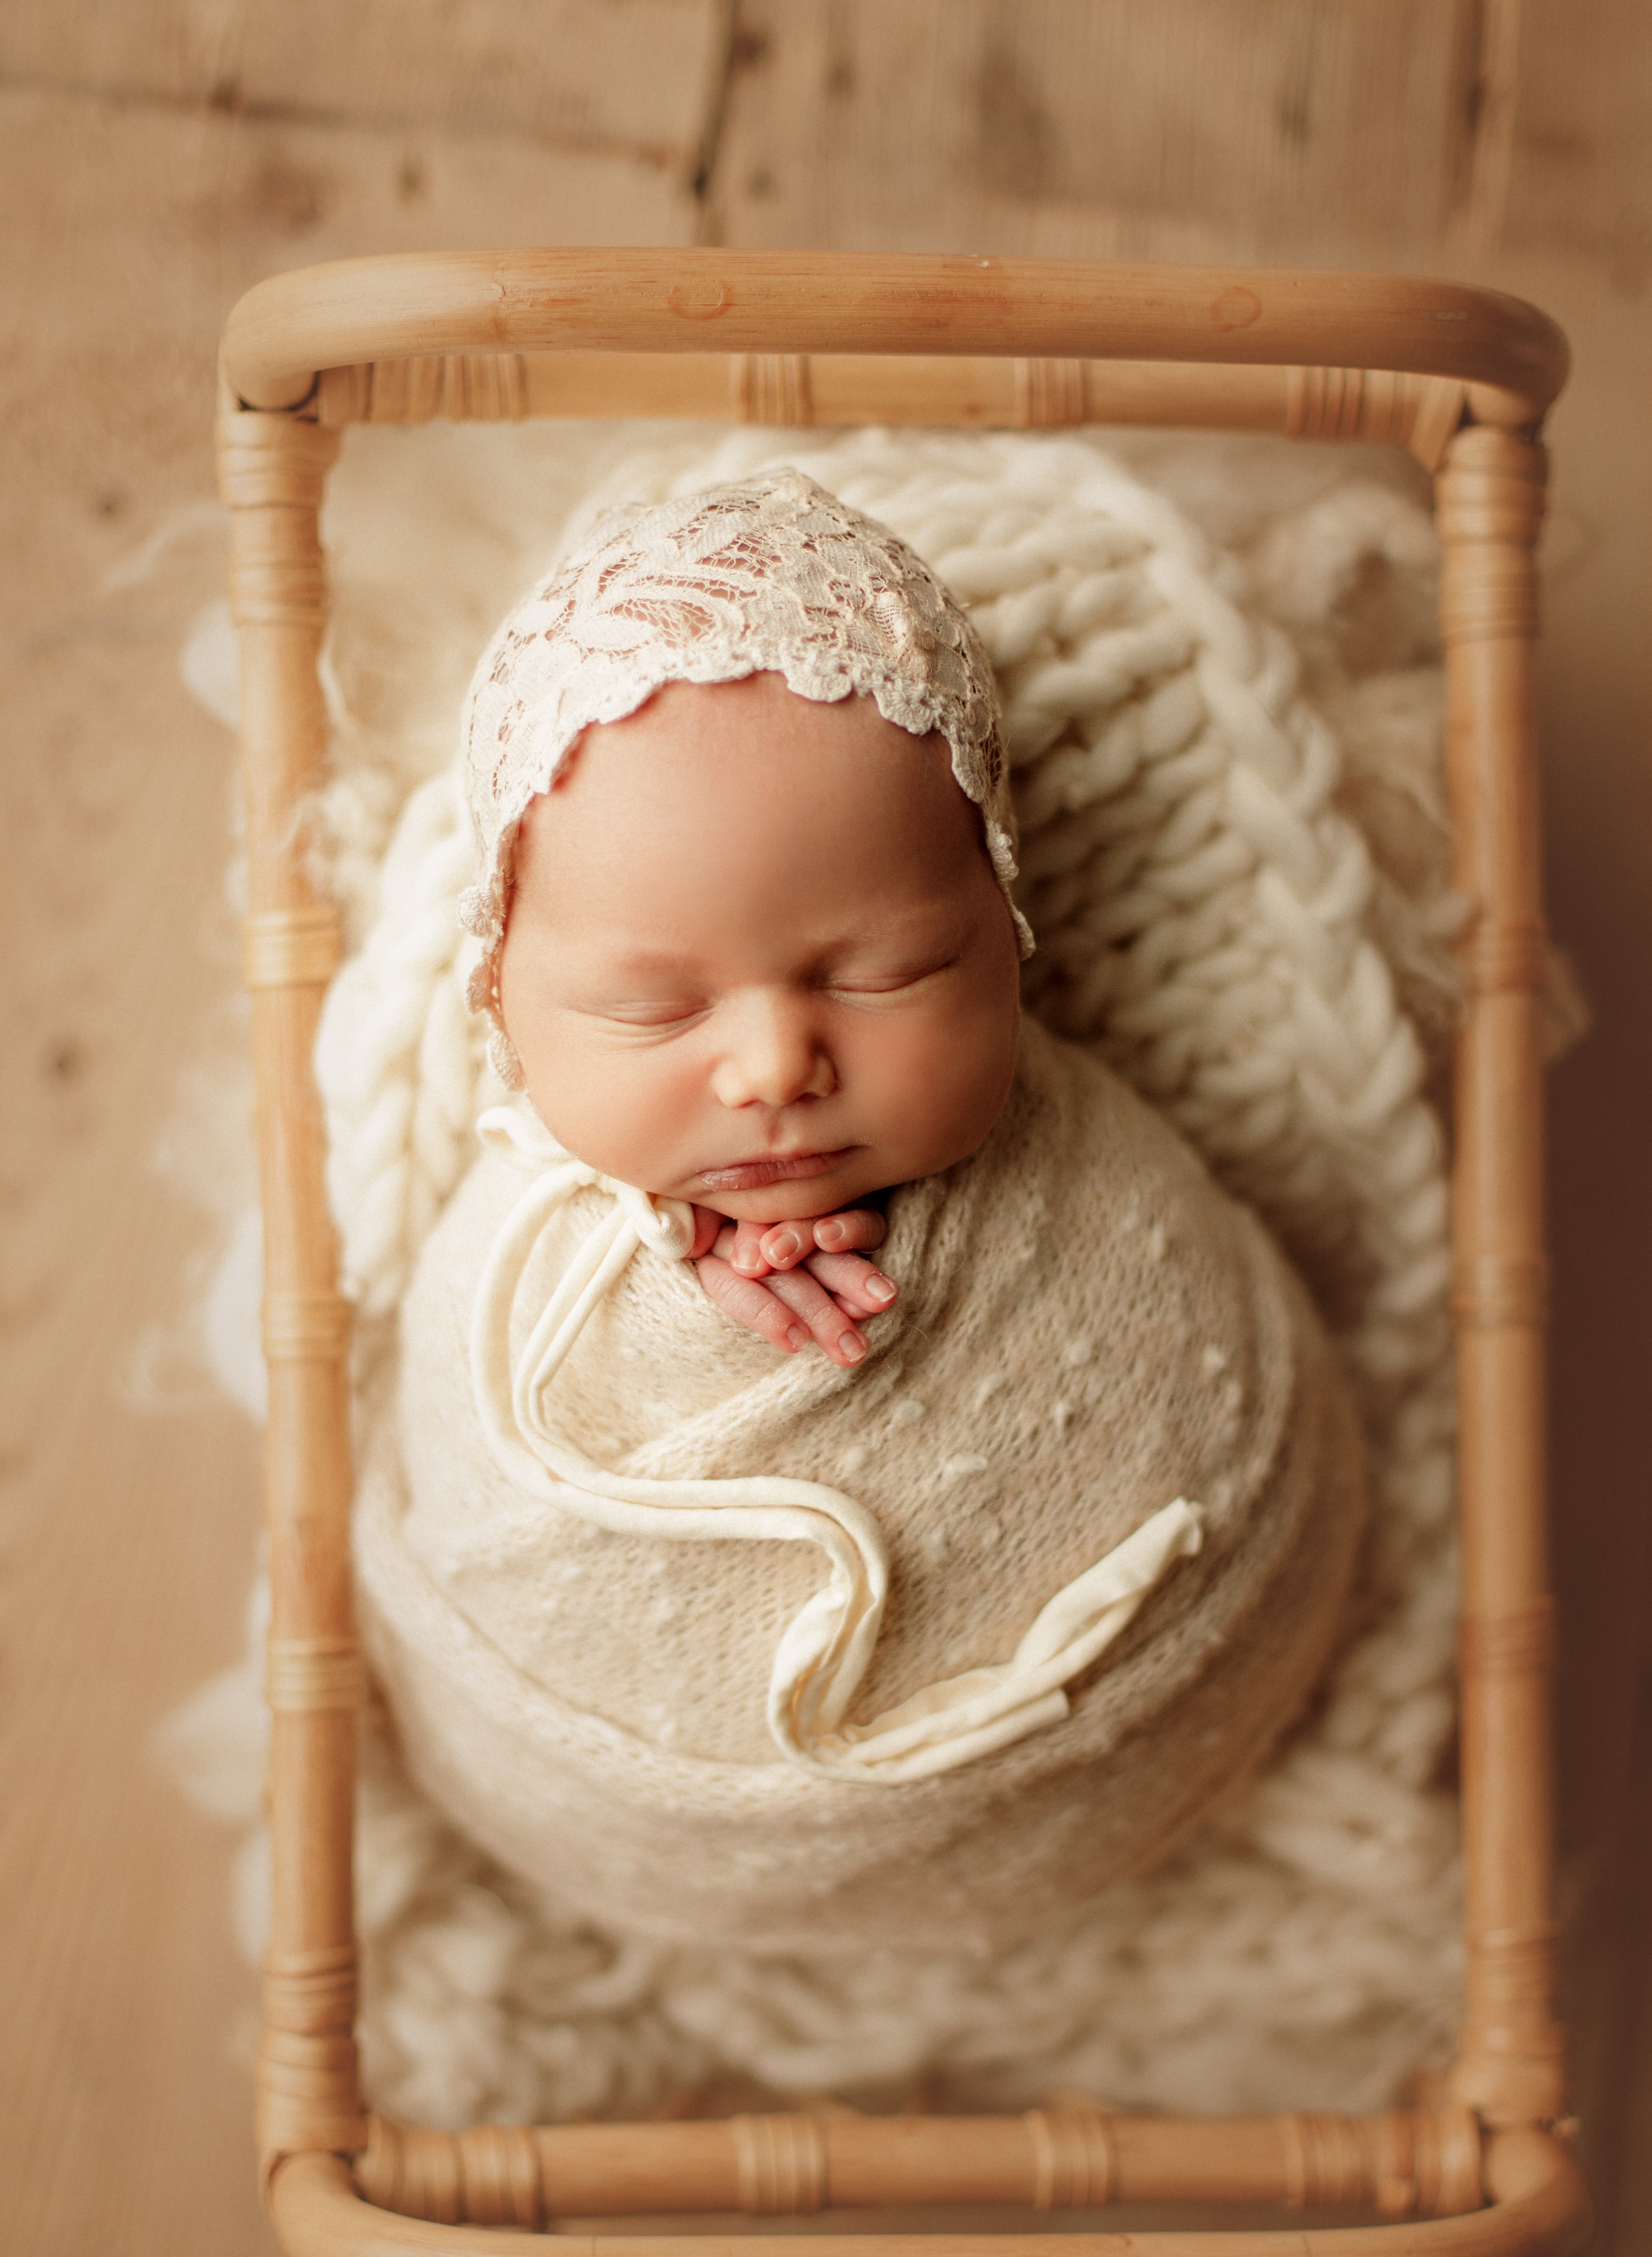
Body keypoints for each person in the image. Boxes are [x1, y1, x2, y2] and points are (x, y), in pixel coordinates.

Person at [353, 469, 1364, 1951]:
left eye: (880, 973)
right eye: (652, 1007)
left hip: (1157, 1726)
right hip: (634, 1828)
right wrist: (670, 1293)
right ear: (503, 1002)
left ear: (1007, 930)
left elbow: (1179, 1348)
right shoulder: (519, 1261)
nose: (773, 1064)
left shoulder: (1085, 1163)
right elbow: (470, 1428)